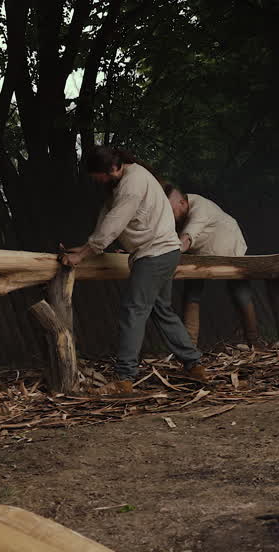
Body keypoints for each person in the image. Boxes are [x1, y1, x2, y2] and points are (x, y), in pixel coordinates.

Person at [60, 147, 208, 394]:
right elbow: (106, 217)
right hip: (164, 252)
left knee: (133, 312)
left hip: (155, 254)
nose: (98, 181)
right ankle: (194, 365)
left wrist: (84, 255)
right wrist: (85, 247)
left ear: (113, 168)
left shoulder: (132, 183)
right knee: (161, 310)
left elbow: (114, 223)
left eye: (100, 176)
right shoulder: (125, 180)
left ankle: (124, 379)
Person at [163, 184, 260, 346]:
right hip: (201, 254)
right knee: (192, 293)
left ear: (182, 203)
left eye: (172, 212)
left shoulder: (200, 208)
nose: (170, 217)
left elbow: (186, 239)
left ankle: (255, 342)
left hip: (230, 248)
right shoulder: (178, 212)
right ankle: (190, 347)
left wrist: (163, 256)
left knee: (240, 293)